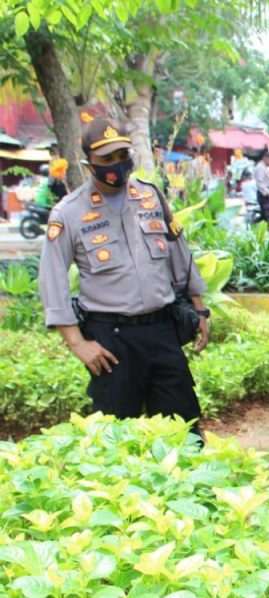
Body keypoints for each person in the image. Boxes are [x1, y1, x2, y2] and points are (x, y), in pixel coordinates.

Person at [37, 117, 211, 439]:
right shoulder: (68, 213)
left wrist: (199, 309)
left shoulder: (151, 197)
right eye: (106, 159)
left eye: (122, 156)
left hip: (162, 331)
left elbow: (179, 256)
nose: (117, 165)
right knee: (115, 440)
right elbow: (52, 282)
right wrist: (77, 343)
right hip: (111, 340)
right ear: (88, 162)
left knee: (184, 432)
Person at [253, 150, 269, 226]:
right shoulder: (260, 167)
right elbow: (259, 183)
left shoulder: (263, 167)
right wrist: (268, 192)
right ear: (266, 158)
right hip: (264, 195)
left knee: (265, 216)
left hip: (266, 193)